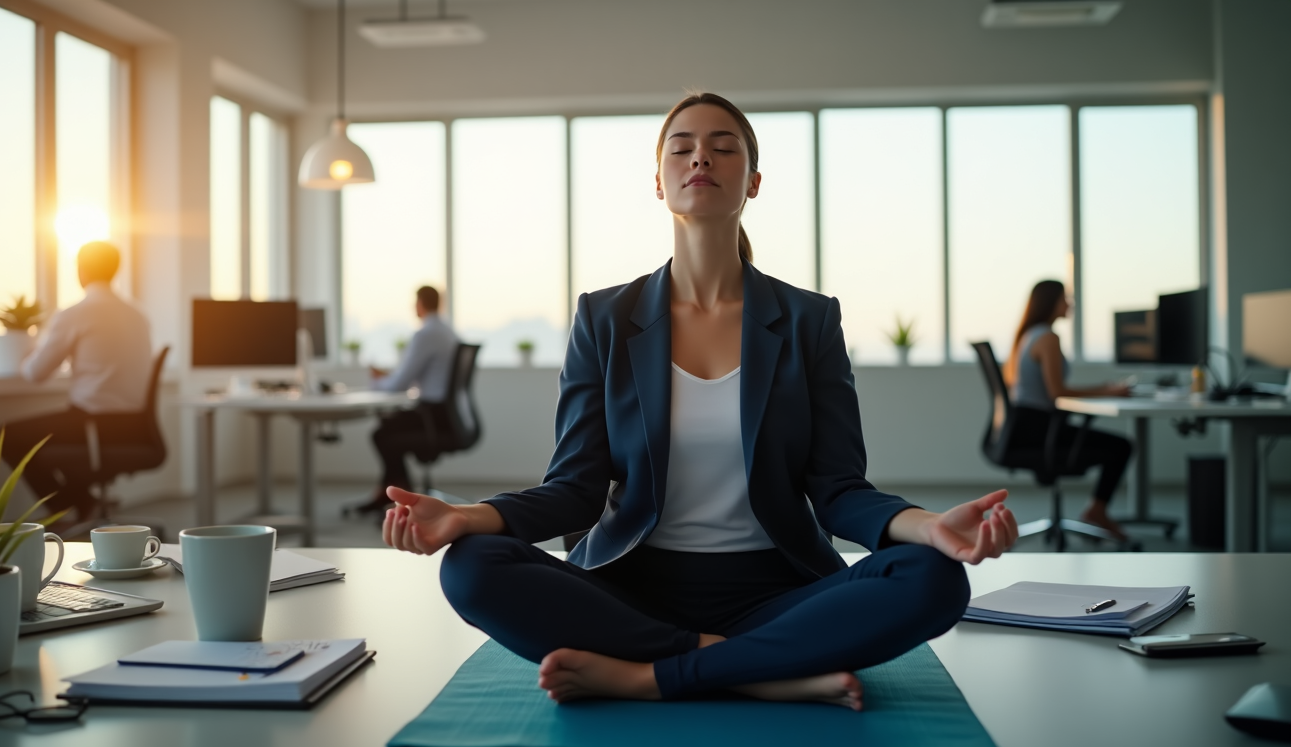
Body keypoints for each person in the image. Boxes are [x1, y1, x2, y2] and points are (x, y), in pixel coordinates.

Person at [380, 93, 1018, 709]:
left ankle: (647, 677)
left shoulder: (809, 320)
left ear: (754, 181)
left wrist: (930, 529)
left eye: (723, 148)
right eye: (681, 149)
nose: (700, 160)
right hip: (630, 589)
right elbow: (574, 490)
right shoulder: (604, 317)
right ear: (659, 182)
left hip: (777, 587)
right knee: (470, 568)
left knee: (933, 578)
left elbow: (839, 490)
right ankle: (756, 670)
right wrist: (468, 517)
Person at [2, 241, 153, 525]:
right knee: (48, 438)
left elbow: (36, 373)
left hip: (93, 425)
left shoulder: (76, 313)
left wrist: (23, 353)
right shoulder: (138, 316)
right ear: (115, 270)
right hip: (136, 427)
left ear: (81, 270)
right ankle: (85, 503)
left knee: (6, 436)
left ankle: (75, 505)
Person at [1003, 279, 1133, 537]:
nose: (1069, 303)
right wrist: (1107, 390)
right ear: (1050, 302)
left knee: (1116, 445)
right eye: (1065, 298)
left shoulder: (1028, 336)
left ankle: (1097, 509)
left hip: (1022, 428)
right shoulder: (1047, 337)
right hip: (1040, 432)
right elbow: (1058, 392)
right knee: (1122, 447)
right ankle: (1097, 509)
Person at [353, 286, 460, 511]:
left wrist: (377, 381)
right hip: (447, 415)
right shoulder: (447, 331)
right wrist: (391, 378)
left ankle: (401, 495)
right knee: (388, 427)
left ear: (420, 303)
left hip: (433, 416)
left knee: (382, 434)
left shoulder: (425, 333)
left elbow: (399, 384)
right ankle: (390, 490)